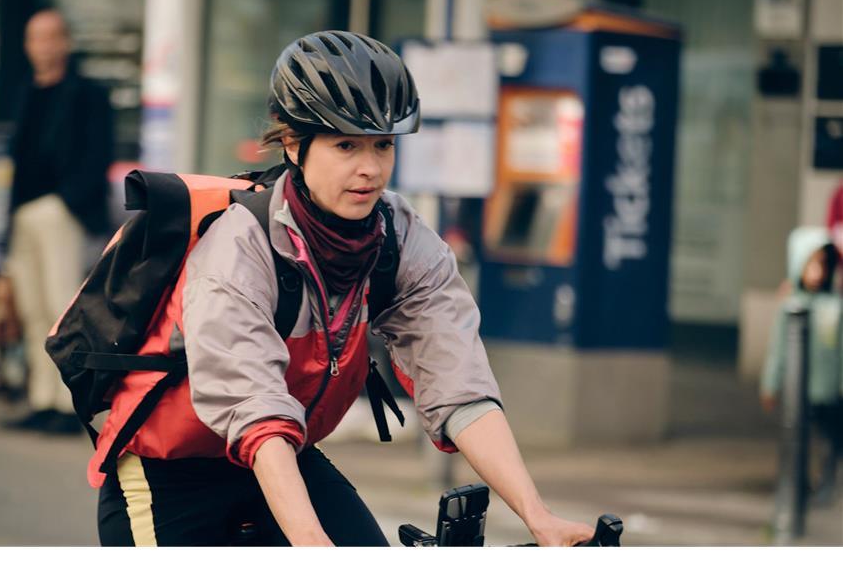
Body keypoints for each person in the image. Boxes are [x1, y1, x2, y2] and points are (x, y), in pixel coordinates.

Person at [93, 30, 595, 546]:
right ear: (294, 144)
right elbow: (257, 412)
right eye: (346, 145)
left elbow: (457, 383)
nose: (370, 169)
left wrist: (539, 517)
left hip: (288, 454)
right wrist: (312, 544)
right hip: (170, 474)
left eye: (383, 145)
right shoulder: (239, 246)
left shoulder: (398, 237)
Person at [0, 9, 113, 435]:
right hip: (25, 212)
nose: (42, 47)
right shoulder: (26, 92)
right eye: (34, 39)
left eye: (50, 38)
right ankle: (41, 399)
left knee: (60, 308)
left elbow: (97, 156)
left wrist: (68, 202)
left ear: (65, 42)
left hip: (61, 211)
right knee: (31, 309)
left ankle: (69, 406)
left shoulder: (86, 95)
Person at [760, 226, 843, 506]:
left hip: (830, 390)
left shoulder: (835, 306)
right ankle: (797, 485)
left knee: (831, 440)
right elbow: (778, 350)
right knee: (798, 440)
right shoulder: (791, 305)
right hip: (800, 390)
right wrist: (771, 383)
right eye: (811, 264)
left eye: (823, 264)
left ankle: (827, 484)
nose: (817, 273)